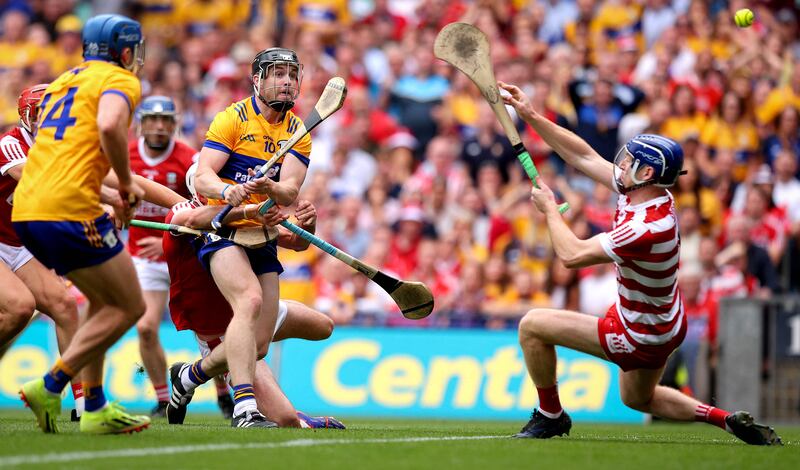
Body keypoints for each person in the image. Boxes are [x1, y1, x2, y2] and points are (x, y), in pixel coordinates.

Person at [498, 81, 781, 446]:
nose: (622, 163)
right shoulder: (648, 193)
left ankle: (551, 416)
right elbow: (584, 157)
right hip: (662, 322)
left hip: (639, 331)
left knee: (532, 326)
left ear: (647, 173)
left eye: (631, 160)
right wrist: (531, 115)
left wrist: (550, 209)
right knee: (637, 399)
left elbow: (571, 256)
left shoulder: (646, 227)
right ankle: (725, 419)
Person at [11, 14, 150, 434]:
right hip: (68, 209)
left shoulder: (64, 81)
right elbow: (108, 125)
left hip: (30, 211)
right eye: (135, 50)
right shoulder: (121, 81)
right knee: (131, 306)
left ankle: (94, 406)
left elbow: (67, 154)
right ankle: (50, 384)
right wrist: (124, 186)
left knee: (101, 304)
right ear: (124, 51)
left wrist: (108, 194)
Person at [173, 47, 311, 428]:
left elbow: (291, 192)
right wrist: (224, 191)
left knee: (260, 344)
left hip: (262, 233)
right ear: (257, 79)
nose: (286, 81)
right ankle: (245, 407)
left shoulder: (298, 131)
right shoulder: (232, 118)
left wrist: (271, 186)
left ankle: (191, 375)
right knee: (247, 302)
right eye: (277, 73)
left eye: (291, 74)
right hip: (224, 227)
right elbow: (203, 176)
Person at [162, 174, 343, 428]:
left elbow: (296, 242)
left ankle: (189, 375)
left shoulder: (244, 212)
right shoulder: (188, 211)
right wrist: (247, 211)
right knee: (286, 419)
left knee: (324, 326)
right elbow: (190, 219)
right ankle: (195, 375)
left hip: (252, 310)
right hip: (221, 333)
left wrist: (308, 224)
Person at [0, 83, 84, 417]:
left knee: (64, 306)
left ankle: (84, 404)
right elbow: (30, 178)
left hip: (17, 244)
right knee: (20, 307)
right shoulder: (11, 143)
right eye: (43, 112)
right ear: (27, 116)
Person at [127, 95, 196, 418]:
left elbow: (200, 206)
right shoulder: (123, 155)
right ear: (141, 123)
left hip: (183, 252)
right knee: (145, 327)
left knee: (208, 327)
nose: (158, 126)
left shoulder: (189, 158)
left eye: (165, 120)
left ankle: (227, 393)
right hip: (144, 258)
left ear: (174, 124)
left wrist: (166, 236)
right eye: (152, 120)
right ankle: (161, 398)